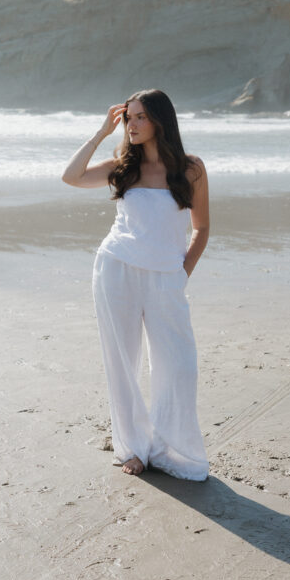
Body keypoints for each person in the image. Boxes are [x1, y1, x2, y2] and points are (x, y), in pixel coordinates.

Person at [62, 89, 209, 481]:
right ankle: (133, 448)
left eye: (141, 117)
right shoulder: (123, 166)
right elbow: (70, 176)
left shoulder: (190, 168)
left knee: (179, 365)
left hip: (166, 278)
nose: (133, 124)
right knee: (122, 362)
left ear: (161, 120)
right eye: (130, 118)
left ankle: (169, 448)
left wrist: (181, 273)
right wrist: (98, 133)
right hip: (116, 269)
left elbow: (202, 228)